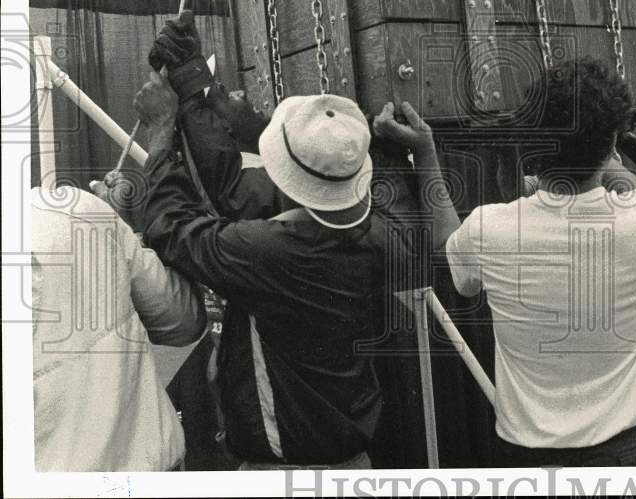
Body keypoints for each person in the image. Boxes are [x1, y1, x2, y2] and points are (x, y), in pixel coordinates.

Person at [376, 56, 636, 467]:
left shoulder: (492, 229)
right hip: (626, 454)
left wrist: (426, 152)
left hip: (530, 461)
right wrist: (609, 163)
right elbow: (630, 187)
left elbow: (446, 239)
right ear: (610, 146)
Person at [129, 59, 429, 470]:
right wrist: (192, 78)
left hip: (282, 478)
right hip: (353, 466)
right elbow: (238, 190)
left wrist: (163, 128)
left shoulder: (269, 253)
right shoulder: (380, 237)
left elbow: (172, 227)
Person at [31, 185, 206, 471]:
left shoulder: (78, 211)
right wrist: (112, 231)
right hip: (150, 465)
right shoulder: (74, 209)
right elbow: (182, 319)